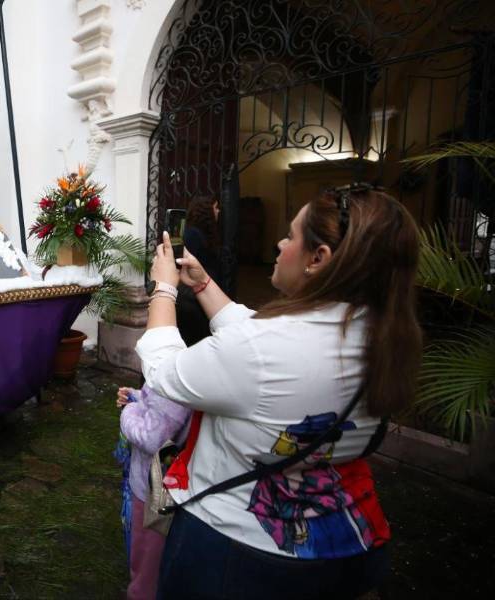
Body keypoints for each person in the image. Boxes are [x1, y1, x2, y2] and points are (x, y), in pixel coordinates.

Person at [137, 184, 422, 599]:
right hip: (342, 545)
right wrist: (203, 284)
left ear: (318, 258)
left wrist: (163, 288)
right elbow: (258, 335)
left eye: (290, 236)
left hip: (237, 551)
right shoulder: (384, 336)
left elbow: (164, 372)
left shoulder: (264, 349)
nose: (279, 243)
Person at [117, 385, 190, 600]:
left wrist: (129, 411)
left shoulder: (174, 380)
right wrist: (137, 396)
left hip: (155, 488)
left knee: (147, 559)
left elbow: (151, 438)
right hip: (162, 484)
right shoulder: (180, 379)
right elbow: (161, 409)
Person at [177, 197, 220, 346]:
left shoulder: (203, 232)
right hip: (194, 296)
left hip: (203, 288)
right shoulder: (193, 234)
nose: (218, 211)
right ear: (206, 211)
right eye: (216, 207)